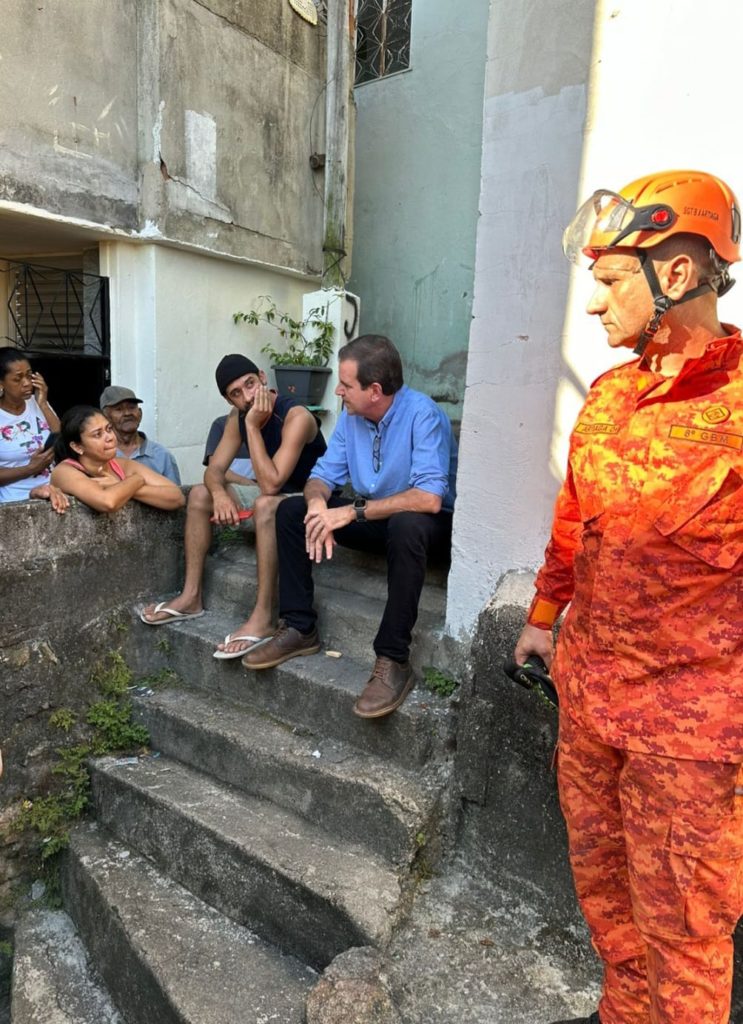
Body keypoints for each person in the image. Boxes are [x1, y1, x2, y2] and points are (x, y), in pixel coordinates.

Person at [513, 171, 743, 1024]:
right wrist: (541, 621)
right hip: (590, 706)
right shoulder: (609, 398)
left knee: (685, 932)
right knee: (608, 907)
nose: (593, 306)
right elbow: (573, 523)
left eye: (609, 283)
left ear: (675, 276)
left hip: (690, 739)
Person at [243, 334, 457, 719]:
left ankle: (393, 660)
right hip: (376, 519)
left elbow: (429, 498)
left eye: (345, 384)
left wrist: (350, 513)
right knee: (289, 512)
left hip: (427, 528)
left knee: (408, 524)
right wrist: (317, 506)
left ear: (375, 390)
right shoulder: (351, 417)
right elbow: (320, 477)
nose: (337, 391)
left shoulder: (423, 415)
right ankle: (299, 627)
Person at [140, 354, 327, 660]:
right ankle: (191, 596)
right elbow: (214, 470)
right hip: (274, 496)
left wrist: (252, 427)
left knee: (266, 503)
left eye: (250, 384)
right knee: (200, 494)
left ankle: (264, 616)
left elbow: (272, 484)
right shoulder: (236, 418)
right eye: (236, 394)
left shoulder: (297, 416)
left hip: (309, 501)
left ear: (263, 378)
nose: (247, 397)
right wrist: (220, 493)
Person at [51, 405, 185, 513]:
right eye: (98, 434)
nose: (109, 437)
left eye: (109, 429)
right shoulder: (65, 471)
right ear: (77, 447)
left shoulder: (121, 464)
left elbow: (177, 497)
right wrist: (136, 480)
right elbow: (108, 502)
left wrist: (122, 484)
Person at [0, 347, 68, 512]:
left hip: (55, 491)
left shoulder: (36, 402)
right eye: (18, 379)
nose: (27, 383)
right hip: (16, 503)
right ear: (1, 383)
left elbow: (62, 440)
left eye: (29, 375)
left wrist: (43, 404)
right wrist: (31, 468)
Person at [100, 386, 181, 484]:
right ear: (106, 418)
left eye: (132, 407)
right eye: (119, 409)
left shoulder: (161, 455)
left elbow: (176, 496)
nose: (127, 413)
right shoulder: (100, 455)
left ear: (140, 414)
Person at [203, 413, 254, 484]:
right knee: (200, 492)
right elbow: (215, 470)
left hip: (265, 485)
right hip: (234, 485)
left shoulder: (271, 422)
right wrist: (248, 483)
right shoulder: (221, 424)